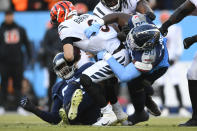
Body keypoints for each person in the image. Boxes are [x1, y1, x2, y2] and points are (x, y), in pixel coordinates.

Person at [50, 1, 129, 126]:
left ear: (61, 15)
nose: (56, 23)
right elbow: (109, 31)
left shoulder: (65, 26)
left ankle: (108, 114)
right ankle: (120, 114)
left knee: (85, 78)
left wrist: (67, 60)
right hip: (121, 51)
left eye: (56, 19)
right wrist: (96, 48)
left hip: (115, 56)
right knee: (107, 81)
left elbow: (69, 56)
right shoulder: (88, 16)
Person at [84, 13, 169, 125]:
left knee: (135, 83)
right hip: (142, 54)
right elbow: (117, 16)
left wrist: (106, 56)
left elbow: (123, 76)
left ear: (146, 46)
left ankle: (143, 104)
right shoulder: (140, 21)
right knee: (136, 83)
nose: (130, 41)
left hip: (156, 68)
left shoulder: (148, 57)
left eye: (135, 42)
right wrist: (98, 24)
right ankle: (145, 98)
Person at [20, 51, 101, 125]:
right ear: (56, 72)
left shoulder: (86, 68)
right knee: (72, 87)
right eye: (60, 68)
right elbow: (54, 118)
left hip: (95, 112)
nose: (64, 69)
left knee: (100, 83)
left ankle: (70, 110)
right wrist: (33, 109)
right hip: (80, 119)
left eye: (65, 64)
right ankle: (69, 110)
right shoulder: (58, 87)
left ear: (72, 62)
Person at [159, 0, 197, 126]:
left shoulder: (177, 30)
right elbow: (182, 11)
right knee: (192, 74)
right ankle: (195, 118)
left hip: (173, 60)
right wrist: (165, 25)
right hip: (164, 60)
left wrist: (193, 39)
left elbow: (182, 10)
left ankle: (187, 111)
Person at [156, 11, 190, 116]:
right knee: (161, 84)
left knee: (175, 83)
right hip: (161, 61)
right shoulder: (157, 28)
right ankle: (164, 107)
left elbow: (179, 43)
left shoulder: (176, 29)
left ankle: (181, 107)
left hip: (172, 61)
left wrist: (175, 57)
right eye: (163, 18)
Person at [0, 10, 32, 114]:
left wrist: (30, 57)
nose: (9, 18)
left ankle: (20, 107)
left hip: (17, 62)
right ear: (5, 17)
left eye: (10, 16)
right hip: (4, 62)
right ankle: (2, 106)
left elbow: (27, 44)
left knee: (18, 85)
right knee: (4, 85)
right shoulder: (1, 30)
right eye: (7, 16)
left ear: (13, 16)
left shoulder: (20, 29)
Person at [39, 22, 62, 111]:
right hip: (52, 62)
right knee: (51, 85)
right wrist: (54, 52)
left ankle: (65, 103)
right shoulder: (49, 32)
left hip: (65, 60)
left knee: (68, 82)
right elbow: (45, 45)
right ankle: (50, 106)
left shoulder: (64, 30)